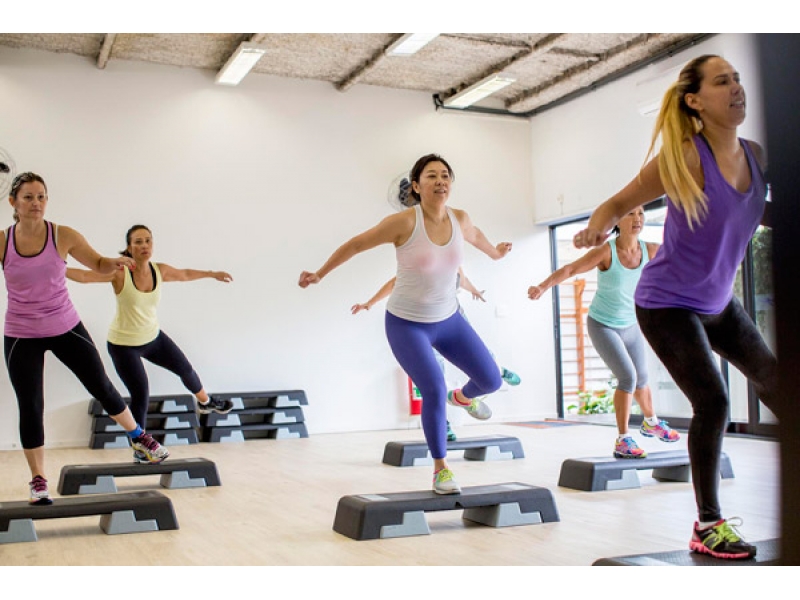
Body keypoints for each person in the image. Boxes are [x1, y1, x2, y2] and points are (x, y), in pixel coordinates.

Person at [573, 55, 776, 560]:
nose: (736, 88)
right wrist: (598, 227)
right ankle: (708, 524)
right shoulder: (685, 157)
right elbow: (616, 203)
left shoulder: (755, 155)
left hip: (718, 303)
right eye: (721, 81)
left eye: (737, 79)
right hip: (665, 304)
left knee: (780, 386)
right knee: (714, 401)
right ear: (695, 100)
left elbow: (750, 212)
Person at [300, 153, 511, 494]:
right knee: (433, 389)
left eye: (445, 175)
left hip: (449, 320)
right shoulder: (403, 223)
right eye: (431, 176)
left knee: (490, 379)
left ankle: (463, 397)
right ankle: (441, 469)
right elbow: (356, 244)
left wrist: (496, 253)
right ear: (416, 186)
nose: (440, 181)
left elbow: (476, 236)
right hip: (407, 324)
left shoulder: (460, 218)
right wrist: (320, 274)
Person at [3, 173, 169, 505]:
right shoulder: (3, 241)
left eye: (41, 197)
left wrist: (117, 261)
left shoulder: (63, 235)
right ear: (13, 203)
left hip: (64, 324)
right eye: (28, 197)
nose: (36, 203)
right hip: (22, 333)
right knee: (31, 405)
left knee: (101, 385)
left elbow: (96, 262)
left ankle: (138, 437)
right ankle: (38, 480)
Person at [66, 224, 234, 462]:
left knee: (185, 369)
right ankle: (140, 448)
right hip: (123, 345)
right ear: (129, 247)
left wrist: (212, 273)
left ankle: (206, 402)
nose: (144, 246)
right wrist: (55, 268)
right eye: (138, 242)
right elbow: (85, 277)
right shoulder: (120, 272)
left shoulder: (159, 270)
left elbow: (184, 274)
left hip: (153, 338)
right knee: (141, 393)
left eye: (147, 241)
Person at [528, 206, 679, 458]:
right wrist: (543, 287)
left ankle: (650, 422)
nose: (637, 218)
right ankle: (623, 439)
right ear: (617, 220)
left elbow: (680, 263)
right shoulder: (606, 252)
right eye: (630, 213)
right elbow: (570, 270)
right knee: (628, 377)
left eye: (641, 213)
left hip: (631, 324)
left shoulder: (651, 250)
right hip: (603, 324)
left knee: (642, 377)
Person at [353, 267, 522, 442]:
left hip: (452, 317)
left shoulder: (454, 262)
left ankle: (496, 371)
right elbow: (394, 283)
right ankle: (443, 422)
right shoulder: (422, 263)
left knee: (480, 354)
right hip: (422, 322)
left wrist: (474, 290)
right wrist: (370, 302)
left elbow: (462, 280)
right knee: (435, 378)